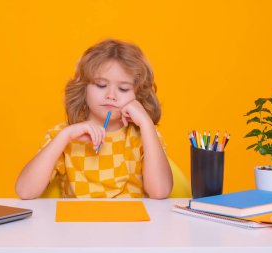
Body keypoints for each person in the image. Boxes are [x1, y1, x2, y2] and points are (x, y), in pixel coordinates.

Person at [16, 39, 173, 199]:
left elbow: (160, 192)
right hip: (78, 223)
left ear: (138, 95)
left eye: (123, 89)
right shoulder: (65, 135)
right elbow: (25, 191)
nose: (111, 95)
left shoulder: (145, 136)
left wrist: (146, 124)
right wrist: (65, 136)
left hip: (132, 223)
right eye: (101, 85)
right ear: (83, 89)